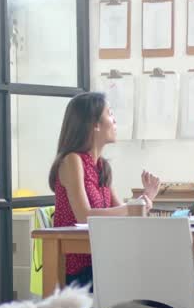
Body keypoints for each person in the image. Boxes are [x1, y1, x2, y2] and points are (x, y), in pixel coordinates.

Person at [49, 92, 160, 289]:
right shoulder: (72, 160)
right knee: (154, 284)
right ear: (94, 124)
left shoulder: (102, 166)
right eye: (110, 113)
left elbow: (127, 214)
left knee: (159, 278)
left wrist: (145, 199)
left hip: (103, 260)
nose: (115, 120)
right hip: (80, 270)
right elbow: (84, 217)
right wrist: (139, 204)